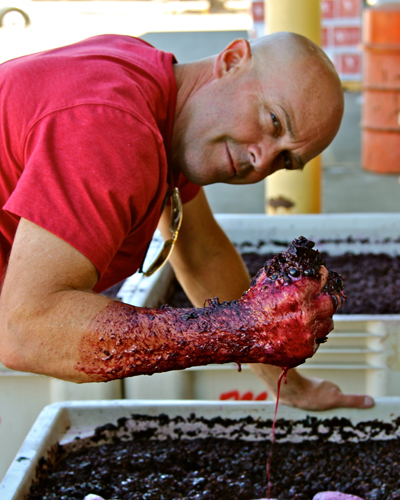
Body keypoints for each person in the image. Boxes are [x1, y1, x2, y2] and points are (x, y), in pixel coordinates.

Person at [0, 31, 373, 410]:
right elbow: (27, 331)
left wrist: (286, 384)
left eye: (286, 160)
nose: (261, 161)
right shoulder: (114, 129)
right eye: (273, 121)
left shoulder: (163, 93)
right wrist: (239, 329)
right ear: (231, 61)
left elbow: (202, 252)